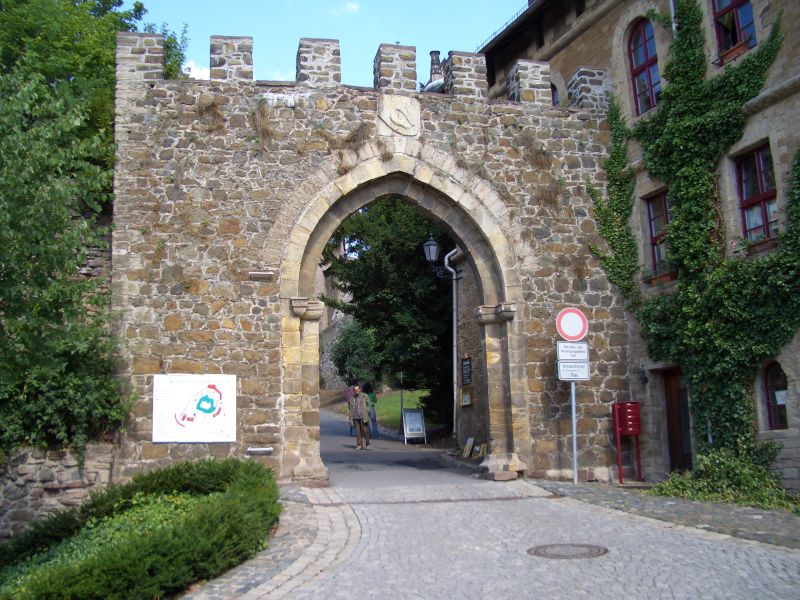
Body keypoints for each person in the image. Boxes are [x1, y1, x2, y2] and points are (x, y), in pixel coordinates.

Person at [348, 384, 371, 450]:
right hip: (355, 417)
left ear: (360, 389)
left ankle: (368, 444)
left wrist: (367, 411)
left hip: (363, 416)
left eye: (357, 389)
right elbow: (351, 409)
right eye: (355, 390)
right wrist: (350, 418)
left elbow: (368, 404)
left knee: (365, 431)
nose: (356, 391)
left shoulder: (365, 396)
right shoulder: (352, 398)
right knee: (358, 432)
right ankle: (359, 445)